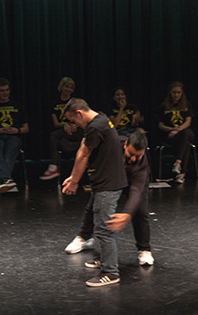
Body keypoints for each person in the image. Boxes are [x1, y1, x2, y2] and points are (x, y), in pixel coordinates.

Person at [62, 98, 127, 287]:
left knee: (104, 229)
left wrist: (74, 181)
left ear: (80, 113)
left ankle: (110, 271)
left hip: (108, 184)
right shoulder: (101, 119)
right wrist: (73, 176)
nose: (74, 125)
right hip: (105, 181)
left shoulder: (95, 127)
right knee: (92, 214)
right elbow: (82, 148)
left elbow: (84, 154)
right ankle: (106, 259)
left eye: (74, 120)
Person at [66, 129, 155, 267]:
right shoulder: (112, 145)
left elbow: (137, 190)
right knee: (95, 203)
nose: (133, 159)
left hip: (133, 181)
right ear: (125, 144)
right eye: (131, 154)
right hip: (112, 178)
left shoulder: (141, 164)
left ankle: (144, 249)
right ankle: (84, 237)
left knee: (141, 211)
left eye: (138, 156)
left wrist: (127, 213)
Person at [0, 78, 29, 195]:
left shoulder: (17, 106)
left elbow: (26, 128)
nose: (5, 93)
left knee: (11, 151)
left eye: (7, 90)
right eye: (2, 90)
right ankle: (7, 181)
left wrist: (16, 130)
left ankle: (2, 180)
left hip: (13, 136)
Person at [40, 77, 84, 180]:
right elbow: (56, 123)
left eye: (71, 88)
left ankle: (53, 167)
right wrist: (64, 125)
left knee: (53, 135)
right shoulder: (54, 103)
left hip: (76, 131)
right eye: (66, 86)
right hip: (63, 131)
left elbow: (82, 119)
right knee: (63, 144)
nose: (68, 89)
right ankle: (83, 145)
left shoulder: (76, 103)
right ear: (61, 87)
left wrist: (74, 126)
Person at [157, 81, 195, 184]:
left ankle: (178, 163)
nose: (176, 95)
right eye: (174, 92)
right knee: (186, 143)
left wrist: (178, 129)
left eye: (178, 92)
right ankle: (181, 174)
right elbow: (160, 125)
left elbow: (188, 122)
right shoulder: (164, 106)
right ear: (170, 92)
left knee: (186, 133)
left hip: (185, 131)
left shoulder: (186, 104)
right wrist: (172, 130)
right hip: (171, 135)